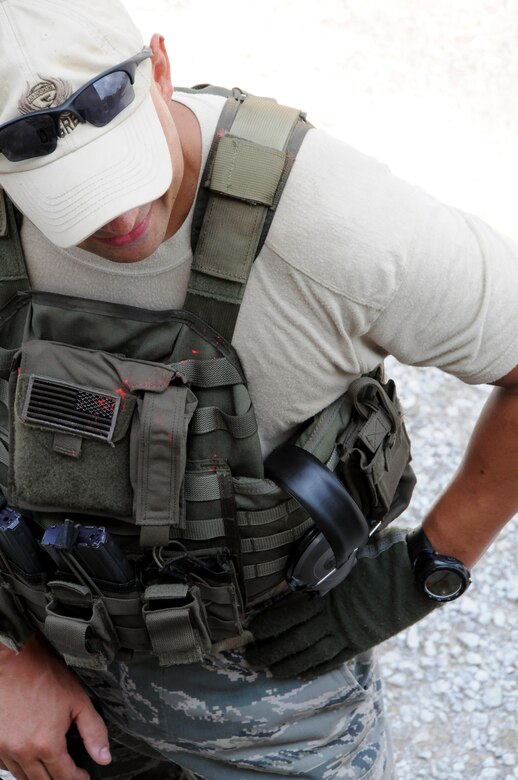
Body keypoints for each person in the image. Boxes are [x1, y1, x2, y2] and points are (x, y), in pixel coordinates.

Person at [0, 1, 516, 778]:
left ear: (161, 67)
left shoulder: (341, 224)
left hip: (271, 702)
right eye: (67, 195)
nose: (115, 215)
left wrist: (429, 567)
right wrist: (6, 657)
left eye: (123, 168)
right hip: (43, 671)